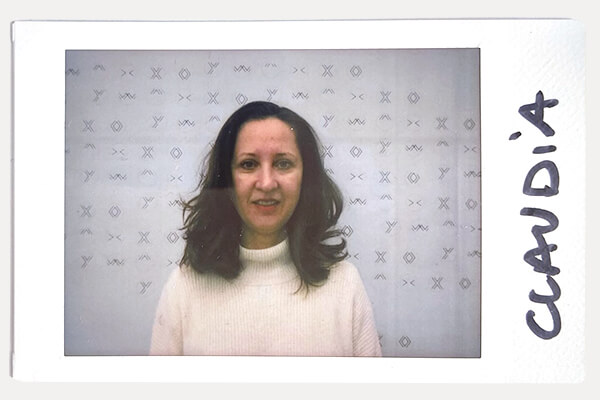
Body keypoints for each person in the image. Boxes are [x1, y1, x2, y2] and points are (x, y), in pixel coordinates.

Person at [150, 101, 381, 357]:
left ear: (306, 178)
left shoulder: (345, 284)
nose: (267, 183)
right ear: (226, 180)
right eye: (248, 164)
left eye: (283, 164)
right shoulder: (184, 287)